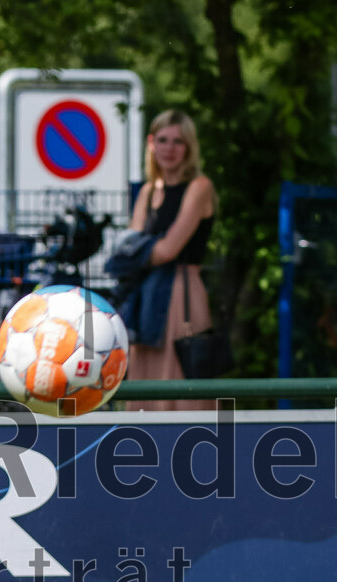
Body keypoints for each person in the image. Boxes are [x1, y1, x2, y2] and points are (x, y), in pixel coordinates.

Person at [124, 109, 217, 412]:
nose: (169, 148)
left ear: (189, 147)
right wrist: (141, 251)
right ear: (151, 143)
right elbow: (131, 250)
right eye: (162, 140)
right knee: (143, 389)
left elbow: (167, 250)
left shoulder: (200, 187)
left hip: (182, 296)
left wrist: (140, 251)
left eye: (178, 141)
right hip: (146, 298)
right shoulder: (148, 192)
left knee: (183, 385)